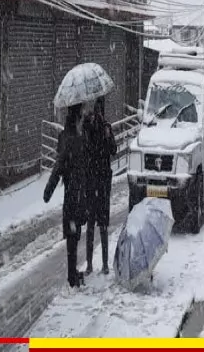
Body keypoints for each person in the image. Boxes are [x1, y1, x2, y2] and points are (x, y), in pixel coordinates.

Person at [44, 103, 91, 288]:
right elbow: (61, 164)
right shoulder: (75, 139)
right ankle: (72, 275)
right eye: (81, 114)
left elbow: (59, 163)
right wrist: (49, 189)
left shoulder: (65, 136)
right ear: (77, 116)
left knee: (73, 234)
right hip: (76, 194)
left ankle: (73, 272)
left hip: (71, 193)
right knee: (74, 234)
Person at [83, 97, 117, 275]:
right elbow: (112, 150)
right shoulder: (90, 127)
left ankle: (99, 264)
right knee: (97, 225)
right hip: (97, 182)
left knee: (97, 225)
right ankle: (96, 264)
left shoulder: (104, 128)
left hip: (98, 182)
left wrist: (107, 134)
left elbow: (113, 150)